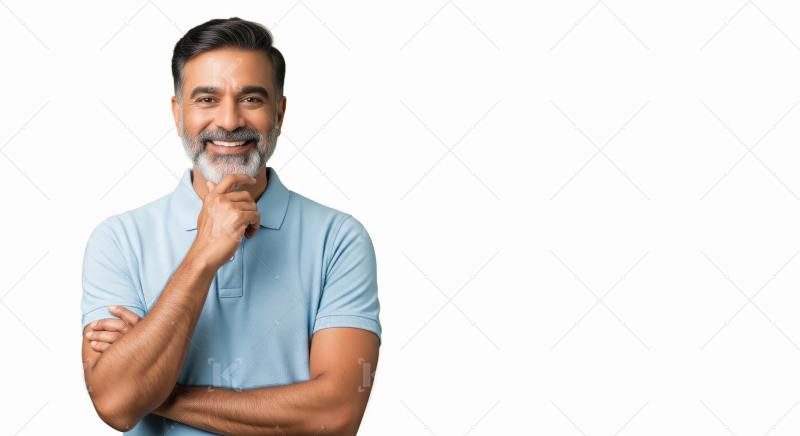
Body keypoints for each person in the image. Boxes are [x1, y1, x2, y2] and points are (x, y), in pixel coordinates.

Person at [80, 17, 381, 435]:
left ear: (279, 111)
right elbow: (115, 404)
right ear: (177, 112)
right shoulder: (118, 241)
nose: (229, 120)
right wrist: (205, 252)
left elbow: (334, 416)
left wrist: (157, 392)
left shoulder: (340, 240)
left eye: (252, 99)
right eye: (206, 99)